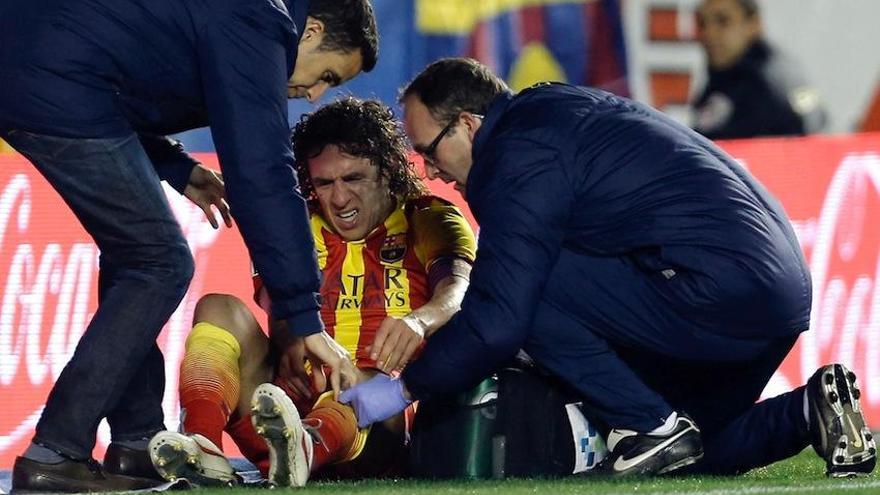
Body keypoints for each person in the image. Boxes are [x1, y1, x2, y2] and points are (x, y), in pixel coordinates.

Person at [339, 58, 877, 478]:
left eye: (429, 151)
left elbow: (500, 317)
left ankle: (647, 425)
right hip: (774, 291)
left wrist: (402, 390)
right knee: (690, 449)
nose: (429, 170)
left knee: (525, 289)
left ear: (468, 125)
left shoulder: (517, 155)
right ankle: (811, 409)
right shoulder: (549, 113)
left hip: (719, 286)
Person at [0, 0, 378, 492]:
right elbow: (261, 169)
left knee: (138, 256)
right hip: (47, 76)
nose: (314, 94)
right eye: (327, 74)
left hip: (38, 65)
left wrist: (178, 167)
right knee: (158, 262)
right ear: (312, 31)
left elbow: (114, 61)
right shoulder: (260, 21)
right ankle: (56, 452)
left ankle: (136, 442)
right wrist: (304, 315)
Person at [146, 98, 477, 487]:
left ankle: (306, 446)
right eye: (324, 183)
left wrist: (419, 321)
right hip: (279, 412)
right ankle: (204, 446)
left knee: (364, 382)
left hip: (374, 430)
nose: (338, 199)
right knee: (218, 307)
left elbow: (457, 290)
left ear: (388, 171)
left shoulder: (428, 217)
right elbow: (274, 296)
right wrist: (288, 337)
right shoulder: (295, 223)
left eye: (353, 178)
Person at [691, 0, 826, 140]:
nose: (709, 33)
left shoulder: (773, 79)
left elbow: (812, 122)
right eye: (702, 23)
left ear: (753, 24)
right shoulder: (723, 76)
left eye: (723, 21)